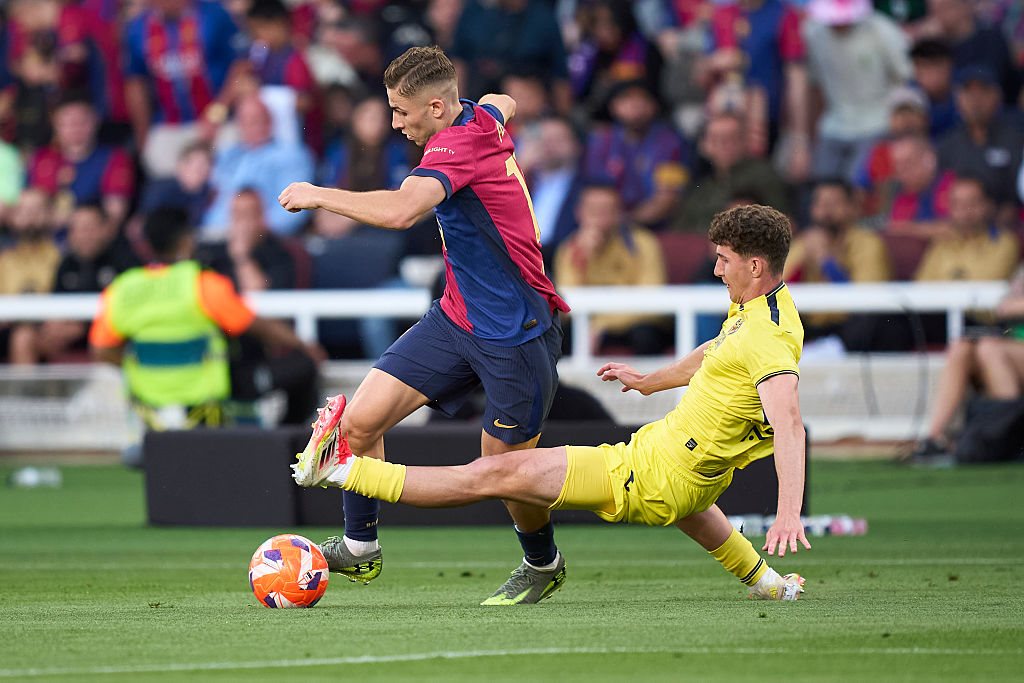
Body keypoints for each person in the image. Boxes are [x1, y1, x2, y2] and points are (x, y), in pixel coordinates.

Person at [292, 204, 810, 603]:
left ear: (755, 264)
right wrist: (650, 382)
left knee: (493, 474)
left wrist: (788, 514)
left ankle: (343, 470)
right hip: (677, 470)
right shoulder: (761, 307)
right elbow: (717, 350)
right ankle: (767, 583)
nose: (717, 270)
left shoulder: (768, 337)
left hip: (651, 473)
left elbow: (789, 424)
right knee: (690, 505)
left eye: (724, 260)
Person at [278, 46, 572, 605]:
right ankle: (360, 546)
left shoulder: (454, 147)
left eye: (401, 110)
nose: (395, 123)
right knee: (358, 423)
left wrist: (318, 195)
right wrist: (497, 109)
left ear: (437, 107)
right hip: (456, 317)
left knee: (505, 471)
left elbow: (400, 212)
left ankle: (543, 561)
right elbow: (501, 100)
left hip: (517, 334)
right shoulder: (480, 116)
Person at [89, 207, 320, 439]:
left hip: (149, 403)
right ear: (186, 240)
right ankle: (282, 444)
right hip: (205, 403)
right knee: (303, 366)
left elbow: (101, 350)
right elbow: (254, 325)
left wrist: (142, 368)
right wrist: (302, 345)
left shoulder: (122, 289)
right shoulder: (202, 283)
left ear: (146, 246)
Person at [554, 183, 670, 355]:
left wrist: (602, 325)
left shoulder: (643, 244)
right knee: (561, 336)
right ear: (579, 212)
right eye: (593, 211)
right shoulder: (569, 249)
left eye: (606, 211)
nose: (599, 218)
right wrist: (581, 259)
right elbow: (566, 303)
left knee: (645, 336)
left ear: (619, 213)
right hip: (589, 323)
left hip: (632, 322)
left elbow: (651, 300)